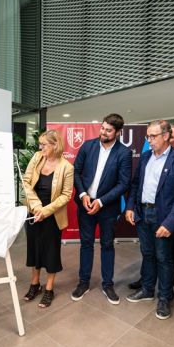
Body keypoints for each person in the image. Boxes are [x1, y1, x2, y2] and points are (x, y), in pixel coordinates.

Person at [124, 120, 174, 319]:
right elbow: (136, 185)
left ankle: (164, 297)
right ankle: (146, 289)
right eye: (148, 136)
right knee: (148, 254)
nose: (149, 140)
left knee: (164, 258)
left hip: (163, 217)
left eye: (153, 136)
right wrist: (129, 207)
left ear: (166, 136)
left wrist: (170, 223)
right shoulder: (145, 157)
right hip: (143, 214)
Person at [71, 113, 132, 305]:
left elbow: (123, 184)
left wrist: (101, 202)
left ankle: (107, 284)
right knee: (86, 244)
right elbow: (76, 172)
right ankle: (84, 282)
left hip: (107, 208)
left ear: (118, 132)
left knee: (107, 245)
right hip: (85, 205)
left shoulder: (123, 153)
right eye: (102, 128)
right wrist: (83, 196)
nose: (103, 132)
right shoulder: (88, 146)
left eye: (108, 130)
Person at [22, 130, 74, 308]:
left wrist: (45, 211)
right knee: (34, 249)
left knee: (51, 252)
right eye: (40, 144)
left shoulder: (67, 167)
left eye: (44, 144)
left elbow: (66, 196)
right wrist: (37, 208)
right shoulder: (37, 157)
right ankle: (35, 284)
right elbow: (26, 182)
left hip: (52, 216)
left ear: (55, 145)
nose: (40, 147)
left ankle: (49, 289)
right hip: (34, 211)